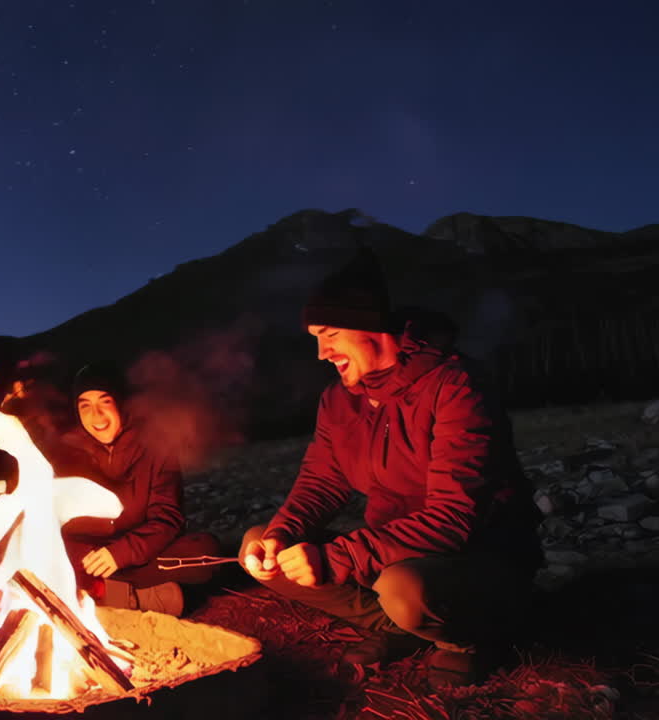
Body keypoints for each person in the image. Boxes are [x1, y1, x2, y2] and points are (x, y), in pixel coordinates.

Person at [238, 248, 543, 689]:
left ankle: (471, 640)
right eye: (315, 338)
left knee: (403, 588)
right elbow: (321, 482)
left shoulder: (455, 385)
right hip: (393, 557)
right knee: (258, 543)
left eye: (330, 334)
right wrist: (281, 535)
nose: (322, 352)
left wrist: (334, 557)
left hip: (476, 558)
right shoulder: (339, 399)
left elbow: (454, 519)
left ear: (370, 328)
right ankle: (403, 629)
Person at [55, 362, 221, 617]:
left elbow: (168, 518)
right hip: (86, 558)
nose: (96, 416)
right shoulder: (67, 452)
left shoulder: (155, 445)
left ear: (122, 403)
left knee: (203, 552)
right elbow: (52, 521)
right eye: (85, 406)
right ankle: (137, 599)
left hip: (139, 554)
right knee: (45, 553)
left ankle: (98, 596)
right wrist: (87, 554)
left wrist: (120, 554)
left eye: (105, 402)